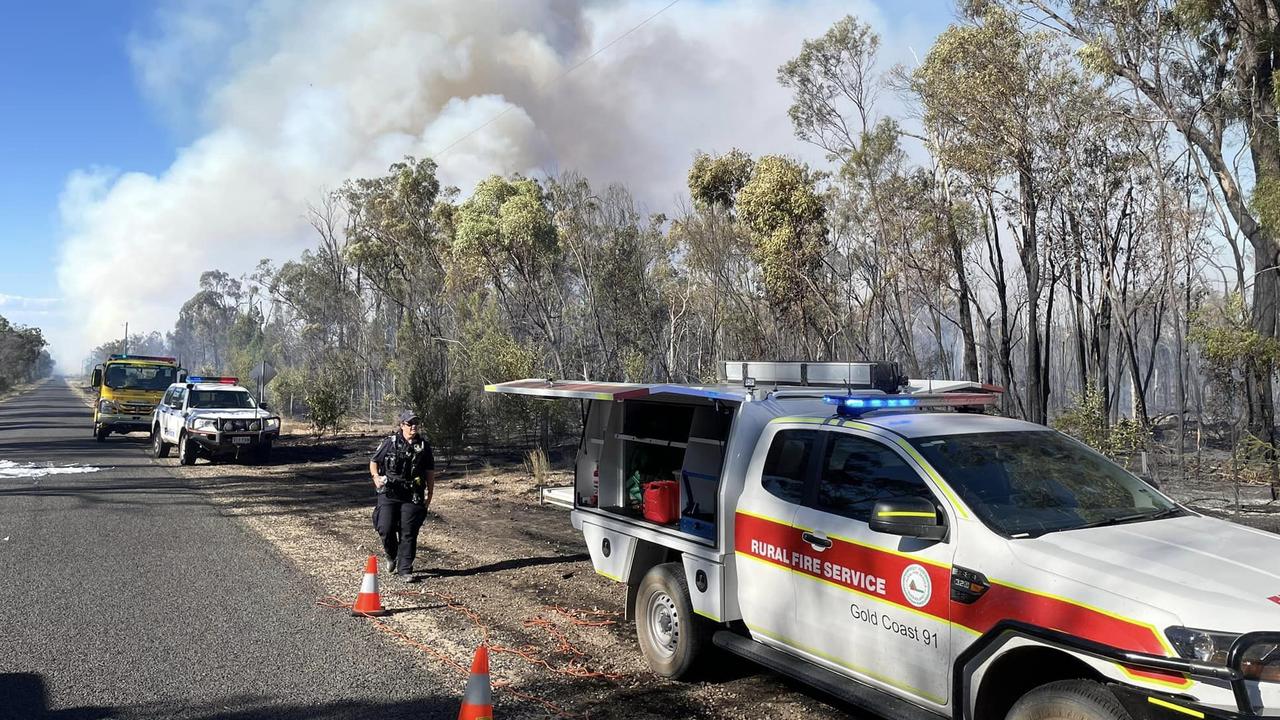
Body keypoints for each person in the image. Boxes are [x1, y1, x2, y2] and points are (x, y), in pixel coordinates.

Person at [369, 410, 435, 582]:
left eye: (416, 423)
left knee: (409, 531)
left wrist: (429, 495)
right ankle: (392, 555)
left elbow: (429, 472)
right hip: (389, 492)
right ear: (401, 425)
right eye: (409, 423)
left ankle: (405, 569)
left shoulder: (423, 447)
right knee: (385, 527)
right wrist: (376, 478)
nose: (413, 426)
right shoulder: (389, 443)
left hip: (412, 494)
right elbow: (374, 462)